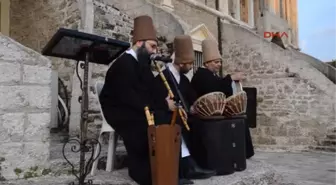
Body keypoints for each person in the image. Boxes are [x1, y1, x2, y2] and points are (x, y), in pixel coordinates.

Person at [99, 15, 177, 185]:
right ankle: (143, 174)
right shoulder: (124, 63)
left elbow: (150, 89)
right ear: (139, 42)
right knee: (143, 123)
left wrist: (164, 100)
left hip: (134, 105)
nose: (155, 51)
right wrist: (162, 105)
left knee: (165, 117)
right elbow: (129, 97)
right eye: (152, 46)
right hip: (119, 110)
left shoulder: (141, 62)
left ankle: (168, 169)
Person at [154, 35, 216, 183]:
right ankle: (186, 167)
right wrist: (170, 106)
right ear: (182, 64)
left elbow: (192, 98)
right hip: (166, 116)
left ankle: (199, 162)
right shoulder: (162, 78)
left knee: (201, 123)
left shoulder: (184, 79)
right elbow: (158, 102)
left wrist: (194, 107)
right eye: (190, 64)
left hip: (184, 115)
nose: (191, 67)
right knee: (178, 125)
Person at [190, 38, 255, 159]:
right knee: (237, 120)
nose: (219, 65)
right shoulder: (201, 75)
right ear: (207, 63)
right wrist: (230, 78)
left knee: (241, 118)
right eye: (216, 62)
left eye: (220, 62)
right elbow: (213, 89)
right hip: (205, 115)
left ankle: (244, 152)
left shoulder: (212, 75)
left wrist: (230, 80)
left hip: (214, 112)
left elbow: (221, 88)